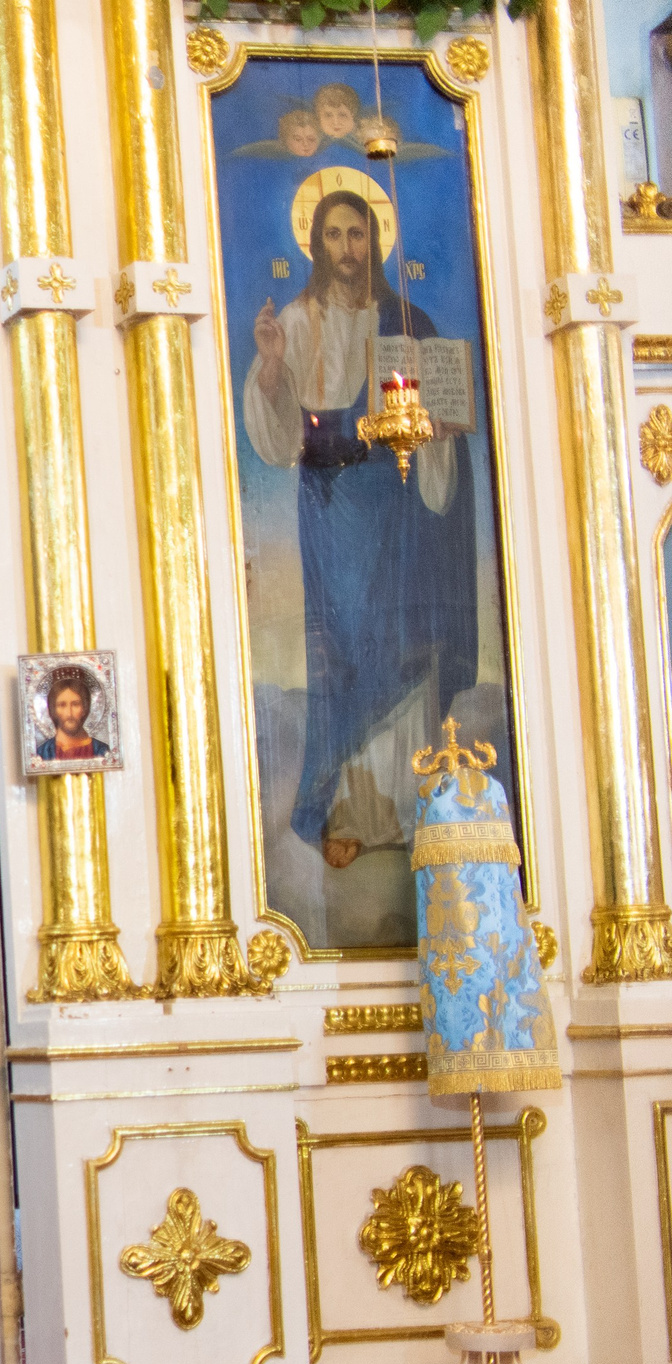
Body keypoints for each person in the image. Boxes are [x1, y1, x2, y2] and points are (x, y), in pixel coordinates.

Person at [243, 186, 476, 869]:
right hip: (333, 509)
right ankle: (341, 806)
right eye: (336, 234)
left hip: (397, 505)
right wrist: (273, 366)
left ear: (374, 243)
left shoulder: (408, 320)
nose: (348, 248)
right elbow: (282, 442)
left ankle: (408, 808)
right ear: (317, 243)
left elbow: (439, 417)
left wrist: (438, 427)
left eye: (359, 234)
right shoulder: (295, 317)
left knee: (402, 642)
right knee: (346, 648)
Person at [33, 665, 110, 764]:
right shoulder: (42, 754)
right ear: (53, 709)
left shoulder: (102, 752)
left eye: (75, 704)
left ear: (85, 708)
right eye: (62, 705)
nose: (69, 713)